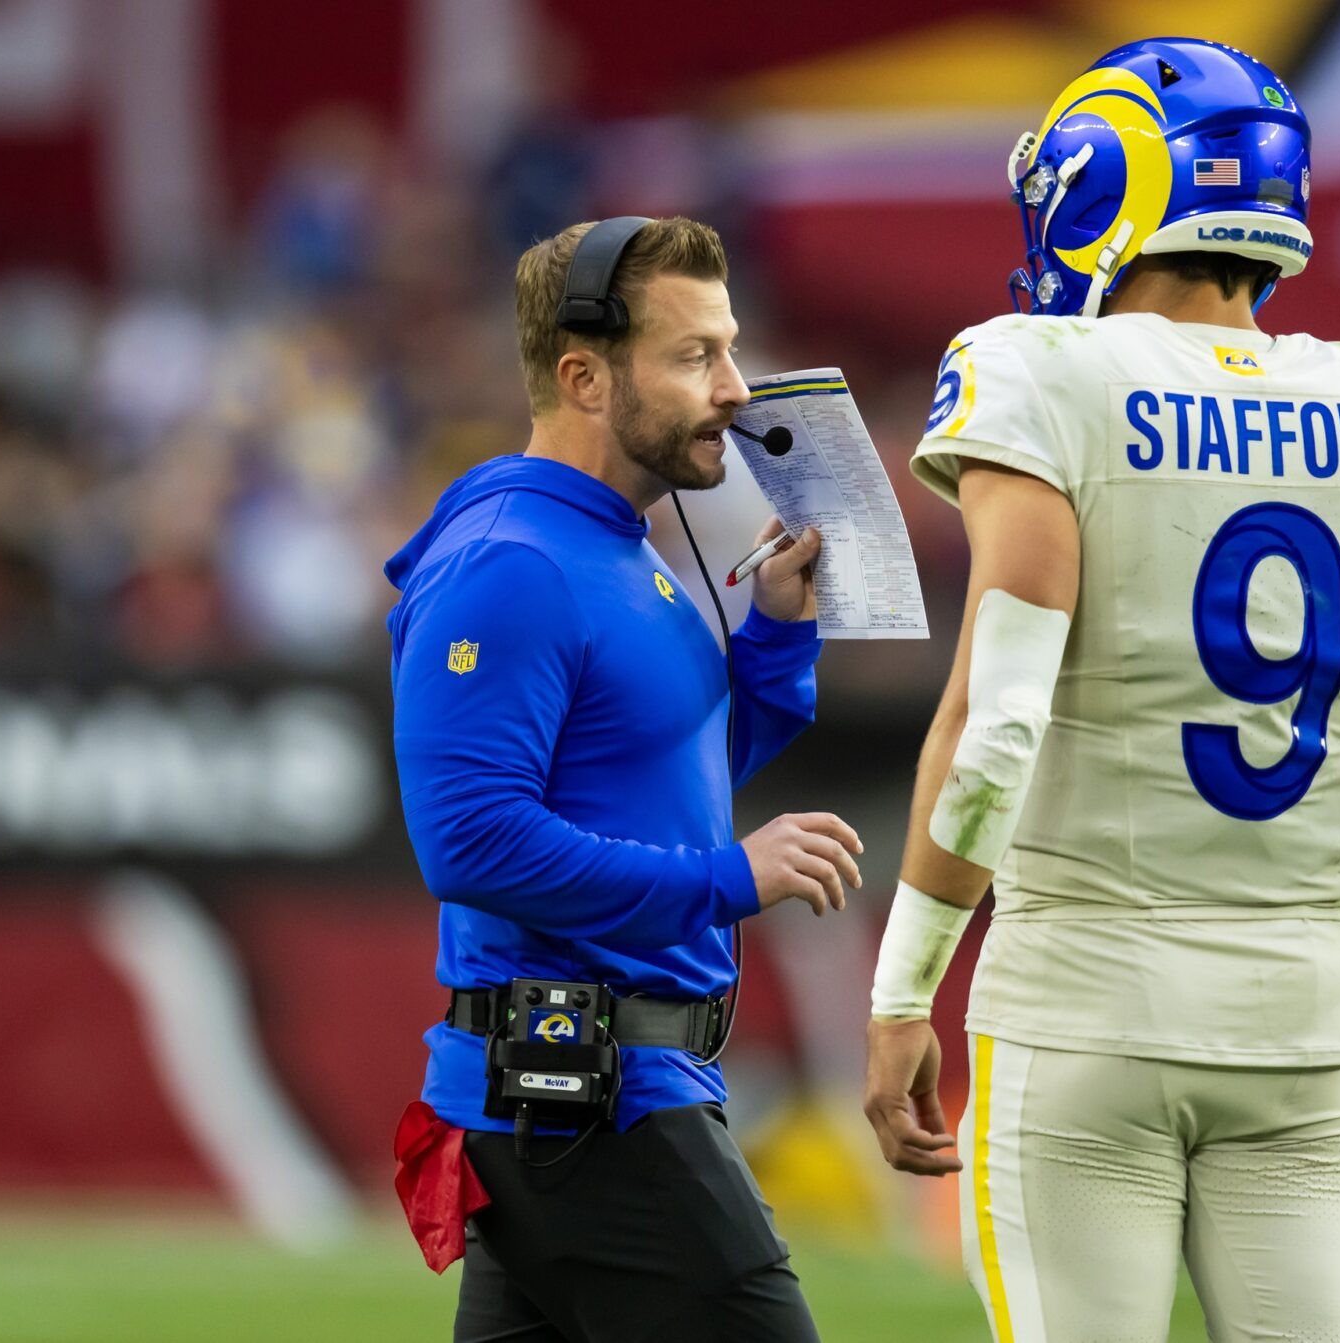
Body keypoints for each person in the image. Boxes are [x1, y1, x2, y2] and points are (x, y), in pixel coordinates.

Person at [860, 39, 1340, 1341]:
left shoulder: (1041, 373)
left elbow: (995, 725)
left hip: (1085, 1001)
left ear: (1105, 185)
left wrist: (905, 991)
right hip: (1297, 1017)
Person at [387, 216, 859, 1342]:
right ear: (583, 373)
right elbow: (473, 844)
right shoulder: (513, 561)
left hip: (593, 1091)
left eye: (729, 349)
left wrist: (777, 642)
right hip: (587, 1099)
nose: (737, 390)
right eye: (696, 355)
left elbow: (660, 777)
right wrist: (726, 877)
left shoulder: (617, 541)